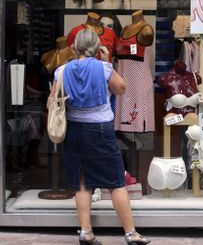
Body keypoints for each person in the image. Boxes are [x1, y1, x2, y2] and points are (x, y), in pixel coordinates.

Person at [48, 29, 150, 245]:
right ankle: (130, 233)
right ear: (96, 47)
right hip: (100, 130)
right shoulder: (103, 68)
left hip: (74, 130)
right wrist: (107, 62)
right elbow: (121, 88)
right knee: (115, 182)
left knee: (82, 182)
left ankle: (86, 232)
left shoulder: (62, 70)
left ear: (75, 47)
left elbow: (52, 101)